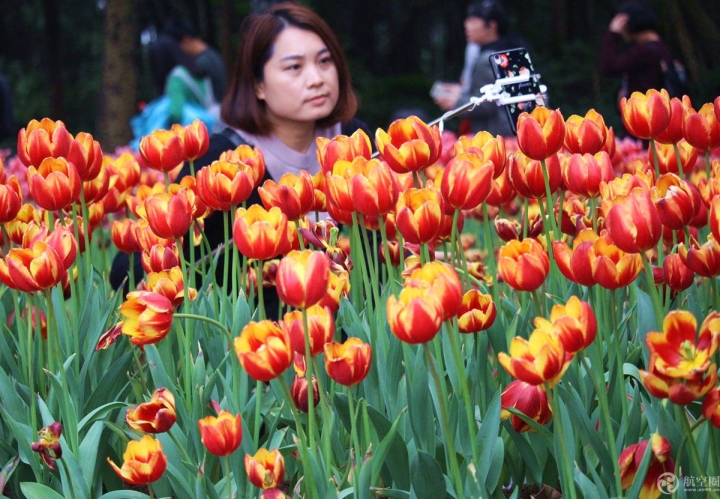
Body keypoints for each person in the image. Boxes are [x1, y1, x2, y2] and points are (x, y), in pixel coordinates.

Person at [111, 2, 369, 305]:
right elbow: (128, 270)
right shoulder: (224, 161)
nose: (317, 79)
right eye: (295, 67)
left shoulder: (353, 142)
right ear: (258, 84)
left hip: (353, 341)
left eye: (325, 62)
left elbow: (381, 252)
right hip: (255, 343)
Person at [433, 0, 524, 137]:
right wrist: (461, 91)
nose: (466, 26)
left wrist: (457, 102)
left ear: (492, 26)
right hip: (517, 131)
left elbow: (489, 103)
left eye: (474, 22)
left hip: (497, 135)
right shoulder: (512, 51)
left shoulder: (488, 59)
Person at [598, 1, 673, 105]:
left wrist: (612, 33)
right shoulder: (660, 47)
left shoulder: (644, 52)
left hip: (645, 115)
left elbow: (607, 66)